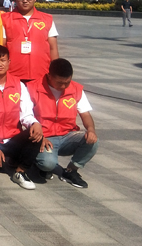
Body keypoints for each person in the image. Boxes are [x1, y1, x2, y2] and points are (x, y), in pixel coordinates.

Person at [0, 45, 43, 190]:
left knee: (36, 133)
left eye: (3, 60)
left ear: (9, 62)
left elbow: (26, 114)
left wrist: (35, 123)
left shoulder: (18, 85)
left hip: (12, 138)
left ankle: (20, 172)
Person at [27, 58, 98, 188]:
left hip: (67, 135)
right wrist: (39, 137)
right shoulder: (32, 88)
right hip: (44, 137)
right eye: (60, 83)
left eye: (67, 82)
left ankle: (71, 170)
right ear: (49, 76)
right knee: (47, 164)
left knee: (92, 141)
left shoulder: (76, 89)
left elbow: (86, 114)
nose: (64, 87)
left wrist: (91, 130)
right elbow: (26, 116)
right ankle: (37, 163)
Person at [1, 0, 59, 83]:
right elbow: (1, 47)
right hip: (13, 75)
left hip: (41, 74)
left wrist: (56, 72)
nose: (25, 1)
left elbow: (53, 48)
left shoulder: (47, 19)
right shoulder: (5, 19)